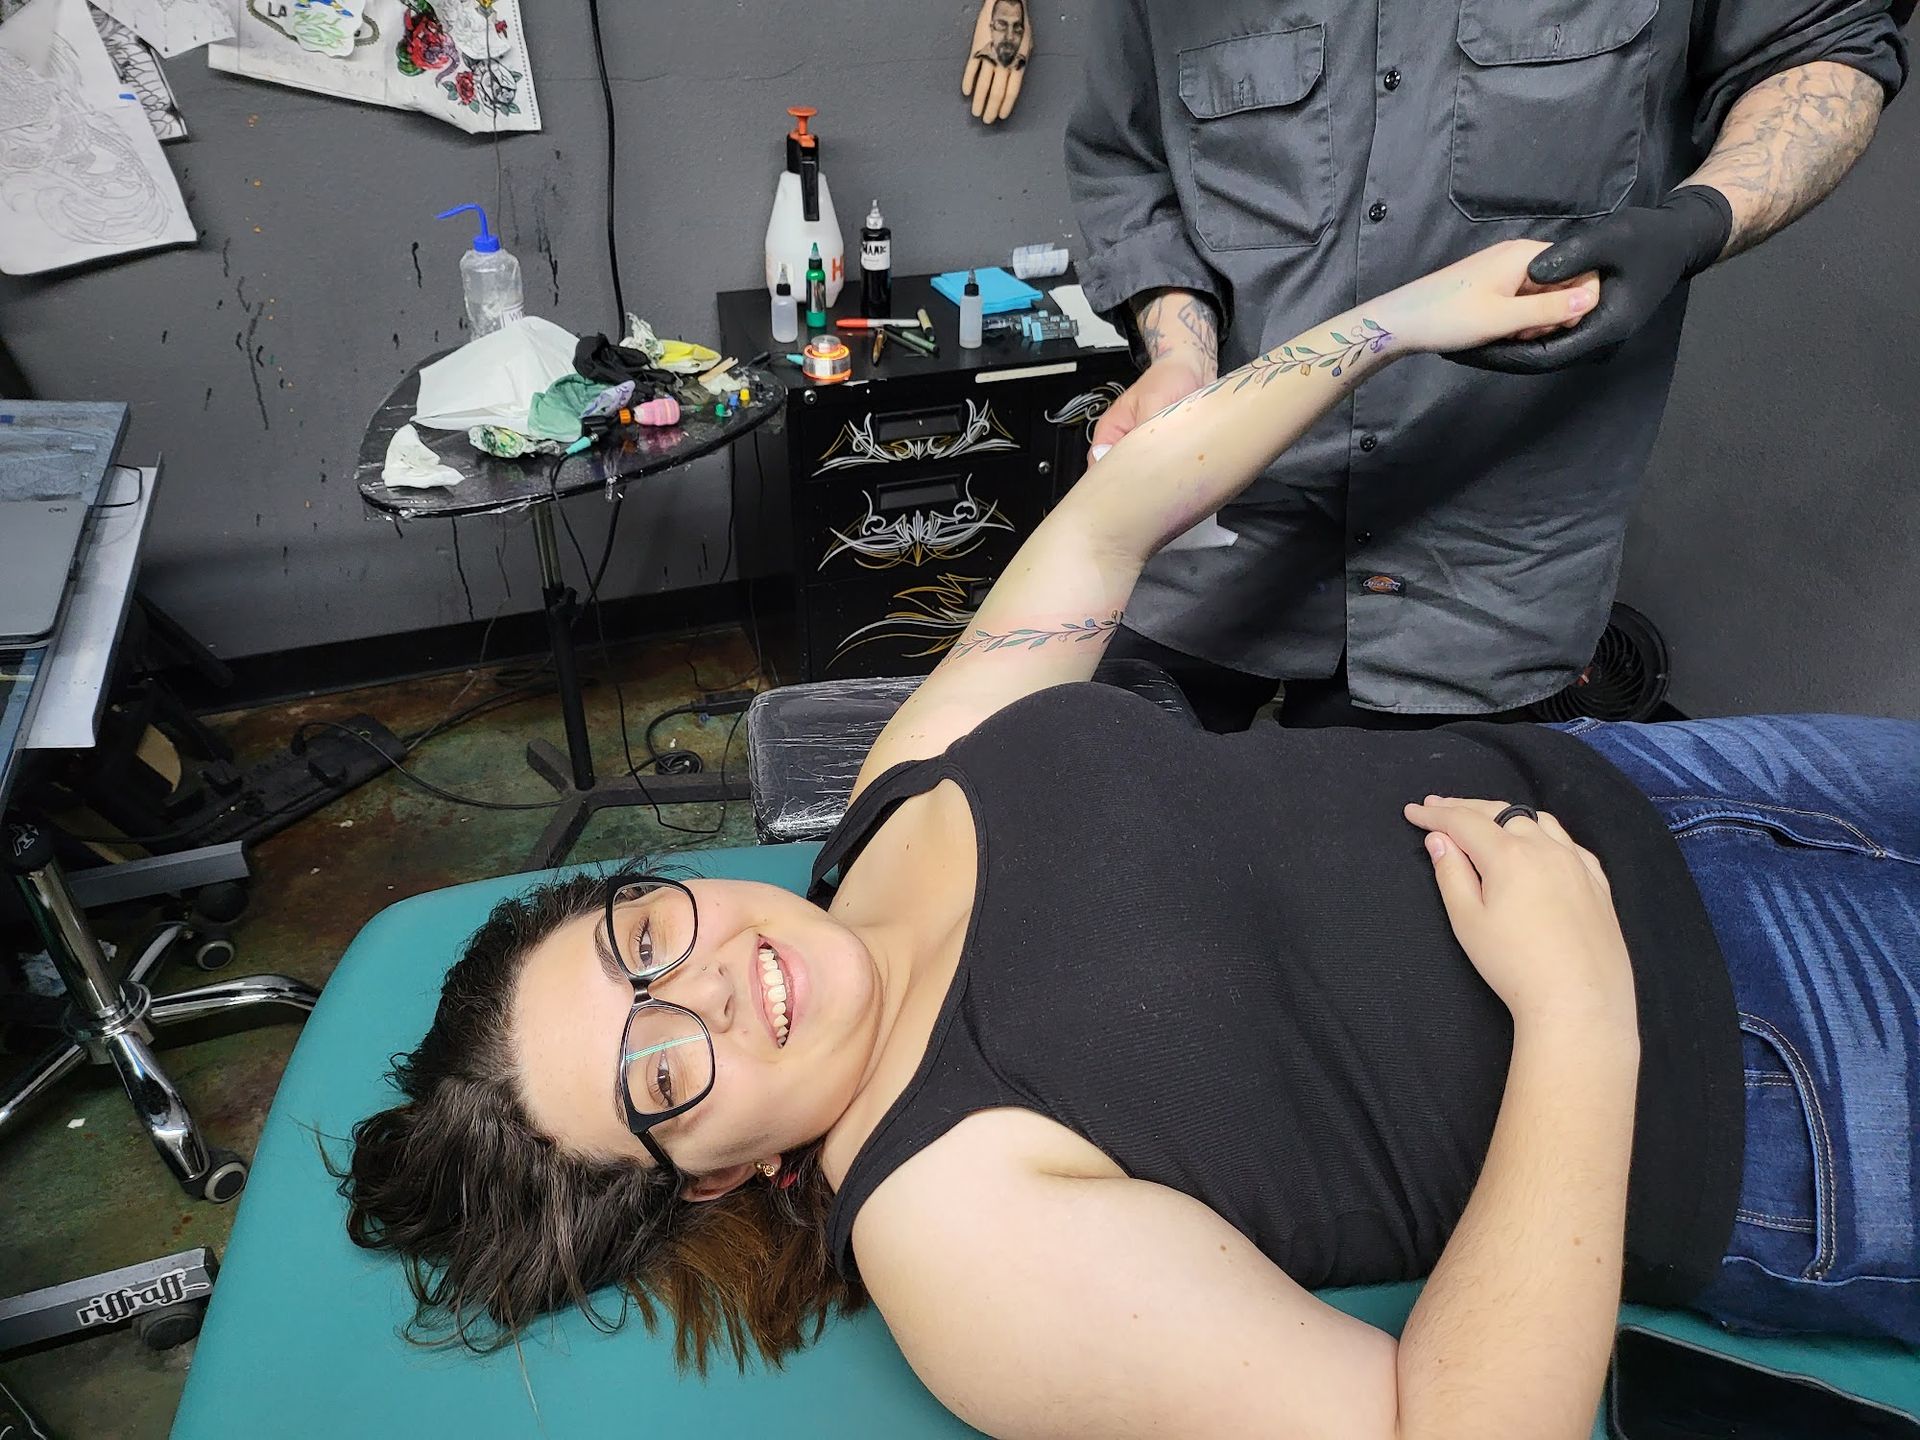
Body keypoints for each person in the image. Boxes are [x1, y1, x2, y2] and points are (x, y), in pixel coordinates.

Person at [341, 244, 1918, 1439]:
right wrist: (1580, 1013)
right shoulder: (956, 1236)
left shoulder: (889, 812)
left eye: (639, 943)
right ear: (708, 1179)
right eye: (660, 1073)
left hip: (1684, 783)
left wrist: (1403, 320)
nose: (711, 982)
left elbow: (1106, 523)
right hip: (1778, 1076)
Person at [1065, 1, 1908, 732]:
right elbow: (1128, 163)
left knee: (1388, 896)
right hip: (1212, 526)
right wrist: (1182, 350)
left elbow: (1823, 41)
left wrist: (1696, 222)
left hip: (1485, 572)